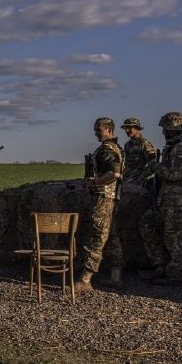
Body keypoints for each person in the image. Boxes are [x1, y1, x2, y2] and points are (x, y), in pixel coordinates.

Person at [138, 112, 182, 284]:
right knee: (146, 224)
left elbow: (175, 174)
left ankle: (174, 275)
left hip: (176, 200)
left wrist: (154, 164)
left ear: (173, 129)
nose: (163, 133)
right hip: (165, 199)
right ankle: (159, 264)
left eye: (166, 129)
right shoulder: (172, 147)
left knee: (174, 237)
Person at [74, 118, 124, 293]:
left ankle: (85, 279)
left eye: (99, 130)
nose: (96, 133)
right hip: (111, 198)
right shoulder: (115, 148)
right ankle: (116, 277)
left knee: (97, 236)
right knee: (112, 235)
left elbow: (114, 174)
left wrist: (95, 182)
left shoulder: (107, 150)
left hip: (103, 198)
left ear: (109, 130)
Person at [120, 118, 157, 185]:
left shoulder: (144, 144)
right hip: (128, 180)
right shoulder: (127, 145)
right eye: (125, 128)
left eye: (129, 128)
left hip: (140, 183)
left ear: (137, 128)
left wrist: (141, 178)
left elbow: (153, 164)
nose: (127, 130)